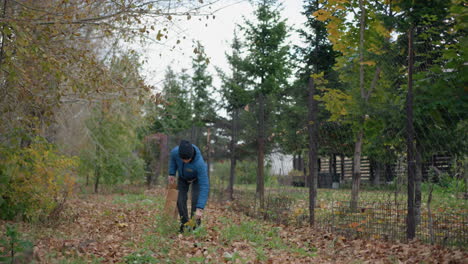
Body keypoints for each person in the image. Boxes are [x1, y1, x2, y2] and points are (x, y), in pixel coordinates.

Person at [168, 140, 209, 232]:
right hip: (183, 178)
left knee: (195, 200)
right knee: (180, 199)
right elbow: (173, 160)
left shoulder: (200, 164)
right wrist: (172, 173)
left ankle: (195, 226)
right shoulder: (175, 152)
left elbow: (204, 186)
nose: (185, 161)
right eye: (183, 159)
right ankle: (185, 224)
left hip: (196, 179)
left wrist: (200, 208)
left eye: (187, 159)